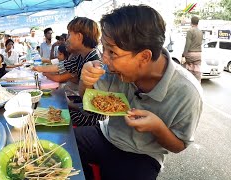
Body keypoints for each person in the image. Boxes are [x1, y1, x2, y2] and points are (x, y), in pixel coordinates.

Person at [77, 5, 203, 180]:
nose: (104, 59)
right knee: (60, 145)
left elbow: (179, 146)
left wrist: (158, 128)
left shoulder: (187, 92)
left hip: (143, 155)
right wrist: (86, 80)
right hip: (106, 135)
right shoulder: (112, 69)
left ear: (144, 57)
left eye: (112, 52)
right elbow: (87, 100)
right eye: (103, 49)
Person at [33, 17, 105, 126]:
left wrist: (74, 106)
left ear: (79, 37)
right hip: (83, 107)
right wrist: (38, 68)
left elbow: (92, 100)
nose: (67, 39)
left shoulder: (94, 61)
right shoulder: (83, 55)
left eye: (69, 34)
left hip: (92, 117)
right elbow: (61, 66)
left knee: (55, 115)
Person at [182, 16, 203, 82]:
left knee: (188, 71)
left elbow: (187, 44)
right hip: (198, 54)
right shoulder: (201, 32)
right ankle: (198, 85)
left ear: (191, 22)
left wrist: (183, 55)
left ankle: (189, 85)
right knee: (197, 71)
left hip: (190, 54)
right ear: (198, 23)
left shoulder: (190, 31)